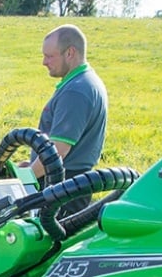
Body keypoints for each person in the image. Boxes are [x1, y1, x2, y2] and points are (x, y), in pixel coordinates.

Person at [22, 24, 108, 216]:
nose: (44, 62)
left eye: (50, 56)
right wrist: (31, 164)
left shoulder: (76, 91)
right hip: (69, 184)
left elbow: (58, 150)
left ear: (70, 53)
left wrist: (24, 179)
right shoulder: (87, 82)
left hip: (62, 189)